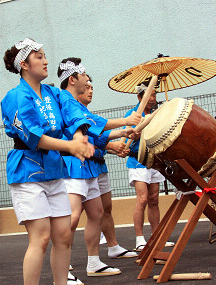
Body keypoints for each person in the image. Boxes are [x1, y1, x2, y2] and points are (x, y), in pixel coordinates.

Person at [1, 38, 94, 285]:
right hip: (27, 172)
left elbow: (72, 112)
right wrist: (71, 146)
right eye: (40, 56)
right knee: (41, 237)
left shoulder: (54, 92)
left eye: (44, 55)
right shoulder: (15, 96)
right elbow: (32, 135)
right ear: (24, 64)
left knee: (63, 235)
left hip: (53, 170)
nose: (46, 61)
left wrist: (77, 136)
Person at [58, 58, 140, 282]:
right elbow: (93, 123)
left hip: (88, 168)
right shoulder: (65, 100)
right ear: (73, 79)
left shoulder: (75, 103)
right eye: (85, 76)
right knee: (73, 217)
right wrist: (124, 122)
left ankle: (94, 262)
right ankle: (62, 269)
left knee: (97, 213)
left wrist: (122, 132)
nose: (88, 80)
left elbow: (95, 130)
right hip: (73, 166)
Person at [76, 75, 137, 260]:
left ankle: (112, 246)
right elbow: (91, 138)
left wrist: (120, 138)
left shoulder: (86, 113)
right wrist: (121, 131)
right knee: (73, 216)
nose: (90, 90)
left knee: (104, 209)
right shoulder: (75, 111)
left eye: (91, 87)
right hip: (79, 168)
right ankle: (63, 260)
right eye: (86, 87)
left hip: (97, 166)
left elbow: (99, 137)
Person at [124, 80, 174, 251]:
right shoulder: (133, 115)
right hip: (137, 161)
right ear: (140, 96)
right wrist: (134, 135)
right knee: (143, 199)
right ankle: (139, 239)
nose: (153, 97)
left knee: (154, 199)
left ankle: (156, 236)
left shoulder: (157, 113)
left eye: (154, 94)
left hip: (153, 160)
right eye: (150, 94)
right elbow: (127, 141)